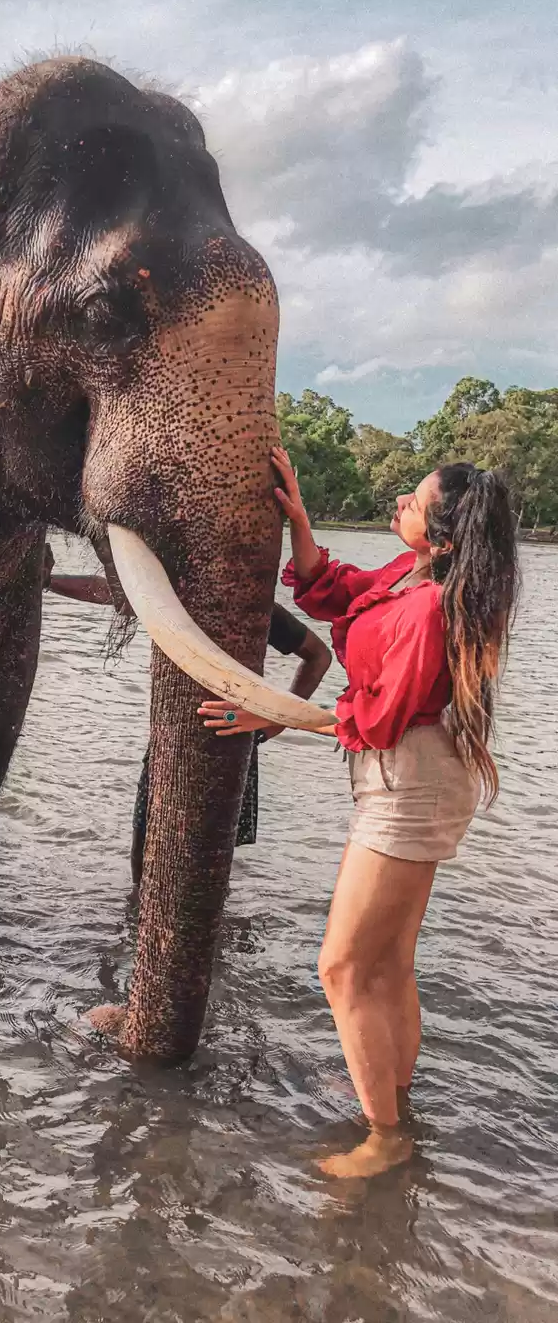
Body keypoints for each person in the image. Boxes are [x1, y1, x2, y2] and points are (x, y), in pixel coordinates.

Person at [199, 447, 520, 1178]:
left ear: (443, 539)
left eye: (415, 500)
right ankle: (393, 1098)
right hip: (411, 775)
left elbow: (378, 717)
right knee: (390, 962)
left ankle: (383, 1140)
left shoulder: (430, 609)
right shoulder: (414, 575)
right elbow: (336, 592)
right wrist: (300, 523)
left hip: (408, 781)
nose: (400, 502)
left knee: (342, 967)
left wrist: (279, 713)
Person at [44, 551, 331, 878]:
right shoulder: (173, 597)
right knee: (144, 853)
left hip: (230, 745)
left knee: (206, 866)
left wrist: (274, 721)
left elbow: (318, 656)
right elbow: (111, 591)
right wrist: (48, 582)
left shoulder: (253, 607)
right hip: (170, 739)